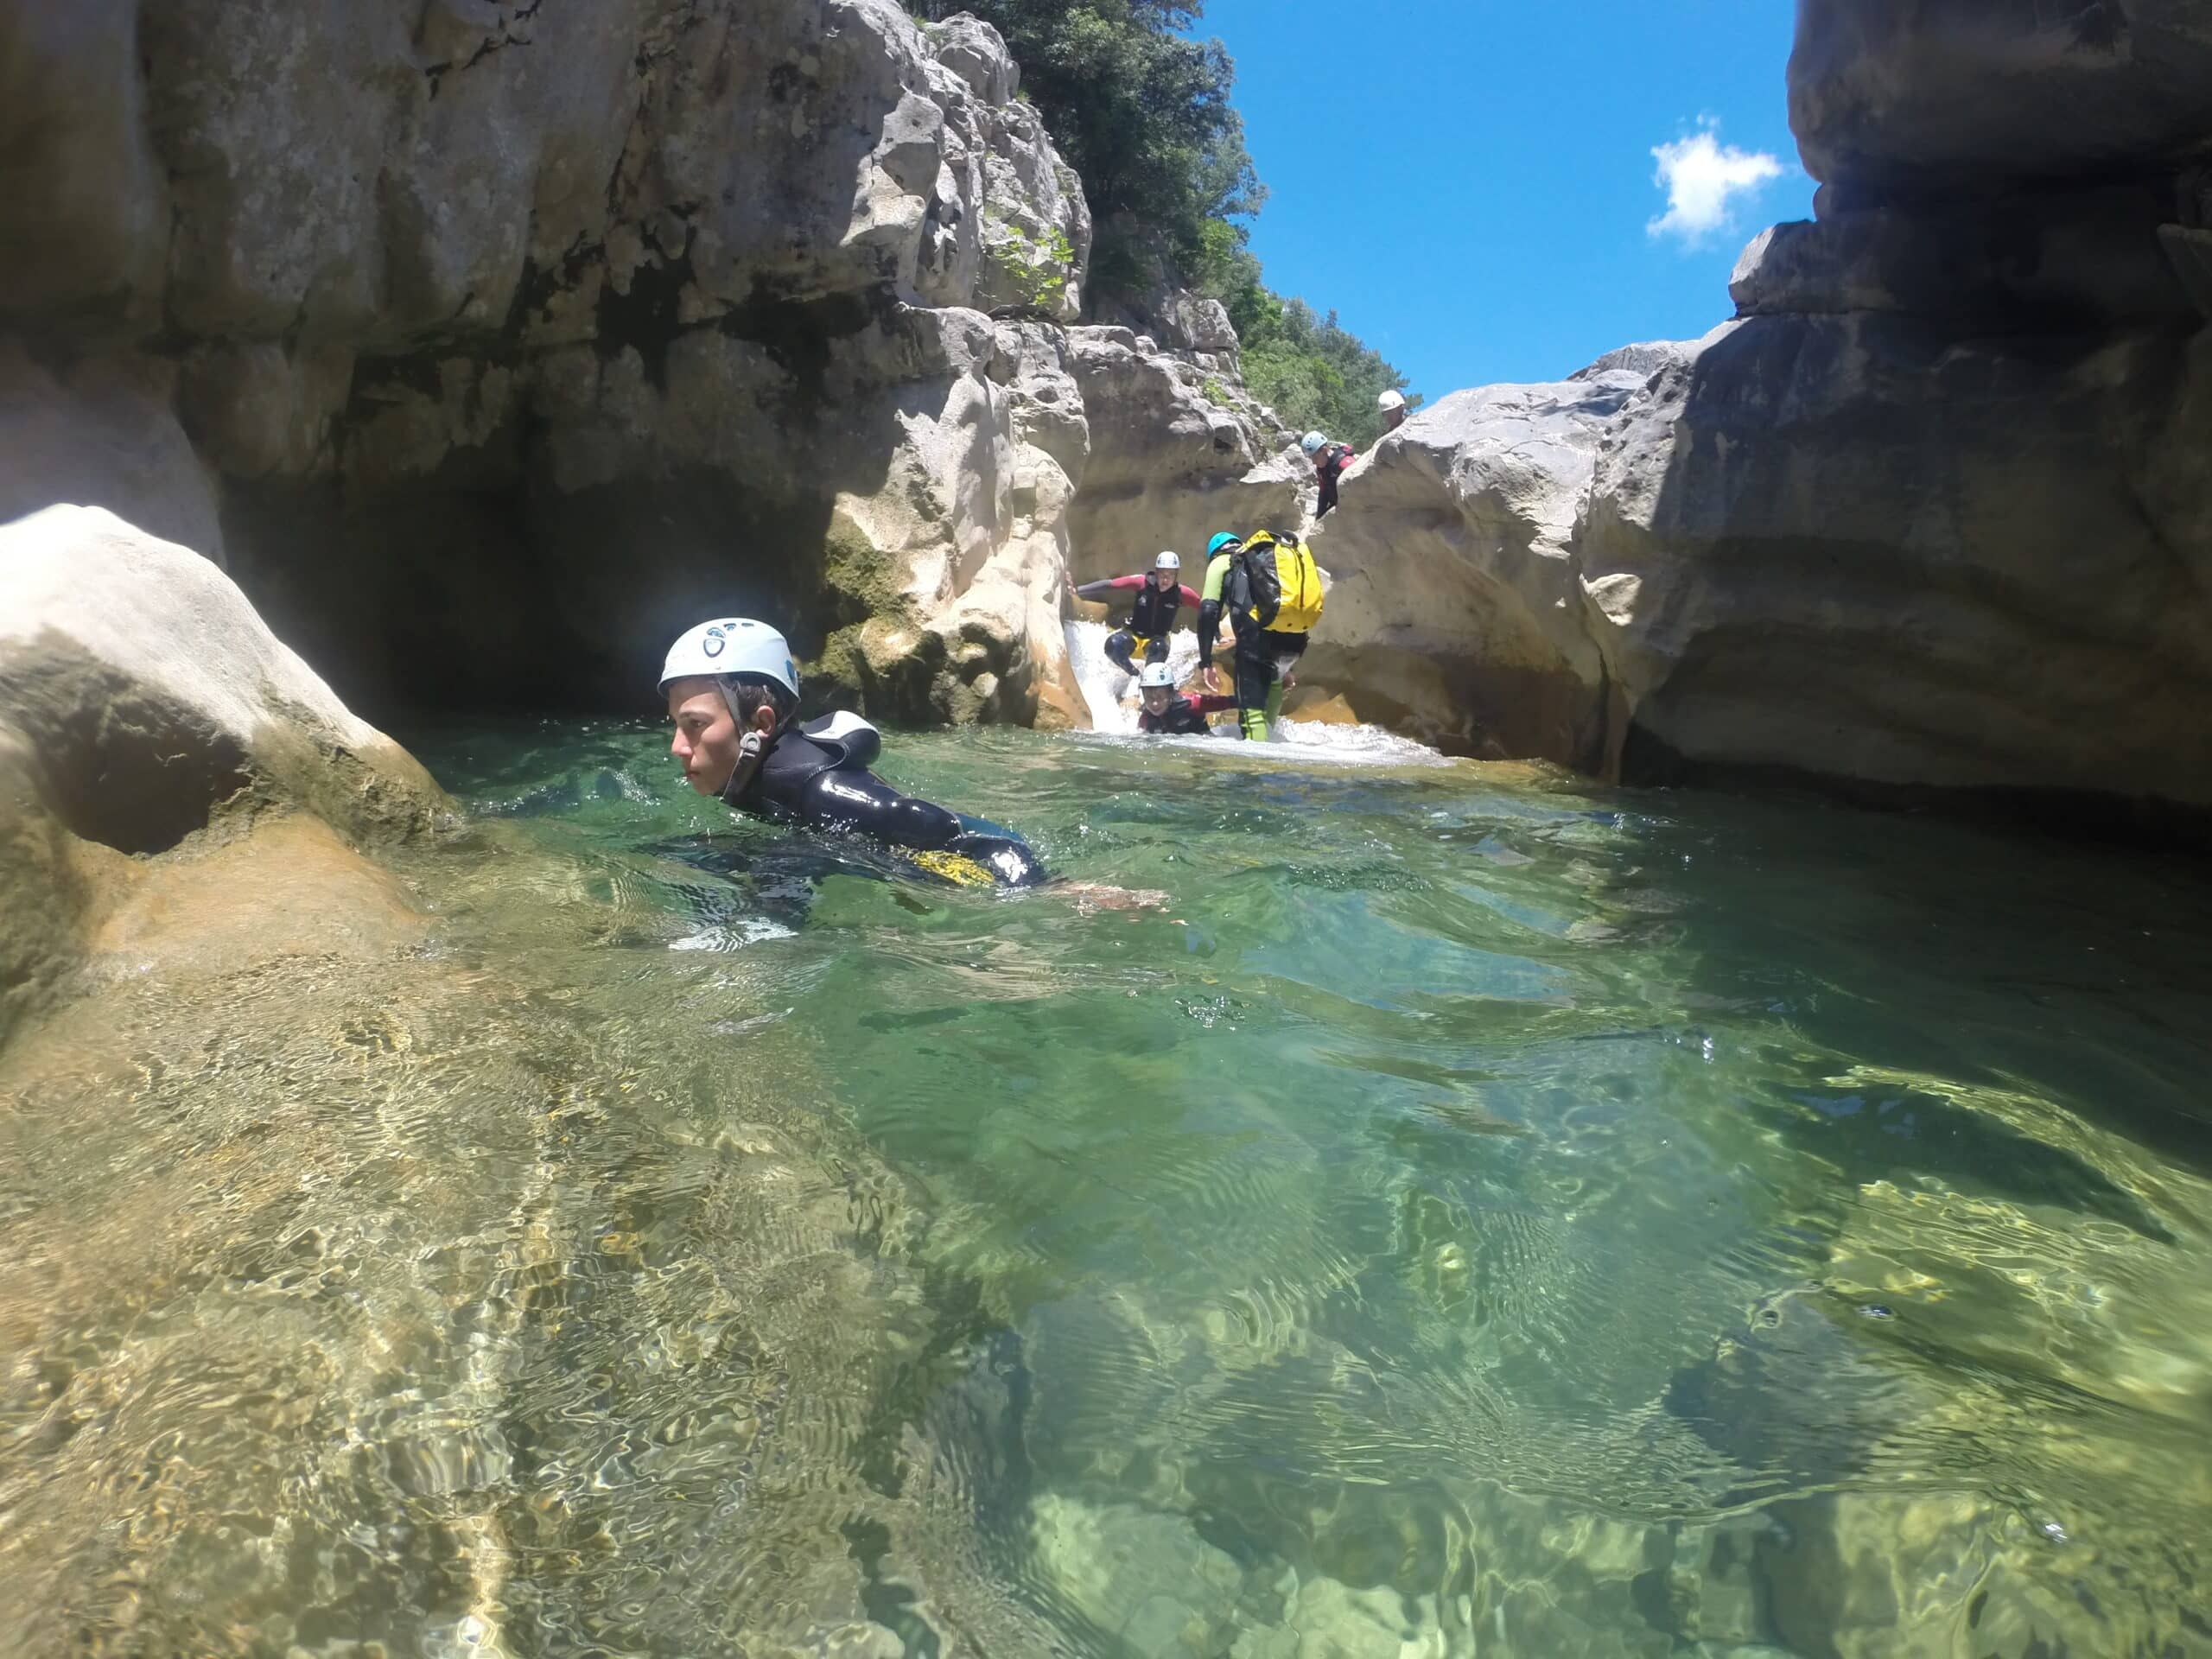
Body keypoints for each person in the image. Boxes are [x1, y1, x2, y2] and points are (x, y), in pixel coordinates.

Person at [661, 617, 1046, 888]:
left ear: (761, 725)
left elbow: (925, 822)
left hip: (978, 864)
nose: (677, 746)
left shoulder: (820, 788)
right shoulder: (758, 776)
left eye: (695, 725)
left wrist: (1053, 888)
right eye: (676, 724)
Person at [1195, 531, 1317, 741]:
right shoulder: (1264, 562)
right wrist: (1286, 665)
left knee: (1252, 715)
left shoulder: (1222, 561)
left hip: (1256, 641)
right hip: (1295, 640)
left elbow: (1208, 610)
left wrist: (1206, 661)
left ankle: (1256, 771)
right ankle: (1270, 758)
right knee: (1275, 683)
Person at [1071, 551, 1203, 674]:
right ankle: (1134, 674)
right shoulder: (1142, 583)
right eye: (1162, 574)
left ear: (1176, 576)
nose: (1166, 580)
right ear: (1156, 572)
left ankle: (1148, 679)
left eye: (1171, 575)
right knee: (1113, 645)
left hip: (1157, 641)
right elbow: (1110, 585)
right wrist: (1078, 590)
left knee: (1158, 649)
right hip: (1134, 636)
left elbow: (1206, 609)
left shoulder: (1181, 593)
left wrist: (1217, 633)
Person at [1134, 661, 1236, 735]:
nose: (1154, 704)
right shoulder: (1146, 717)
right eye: (1149, 698)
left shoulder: (1192, 703)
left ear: (1171, 692)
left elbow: (1229, 702)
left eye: (1160, 697)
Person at [1301, 429, 1356, 518]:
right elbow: (1323, 493)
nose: (1313, 462)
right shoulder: (1321, 469)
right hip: (1339, 507)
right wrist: (1319, 518)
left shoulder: (1344, 463)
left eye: (1315, 457)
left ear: (1324, 450)